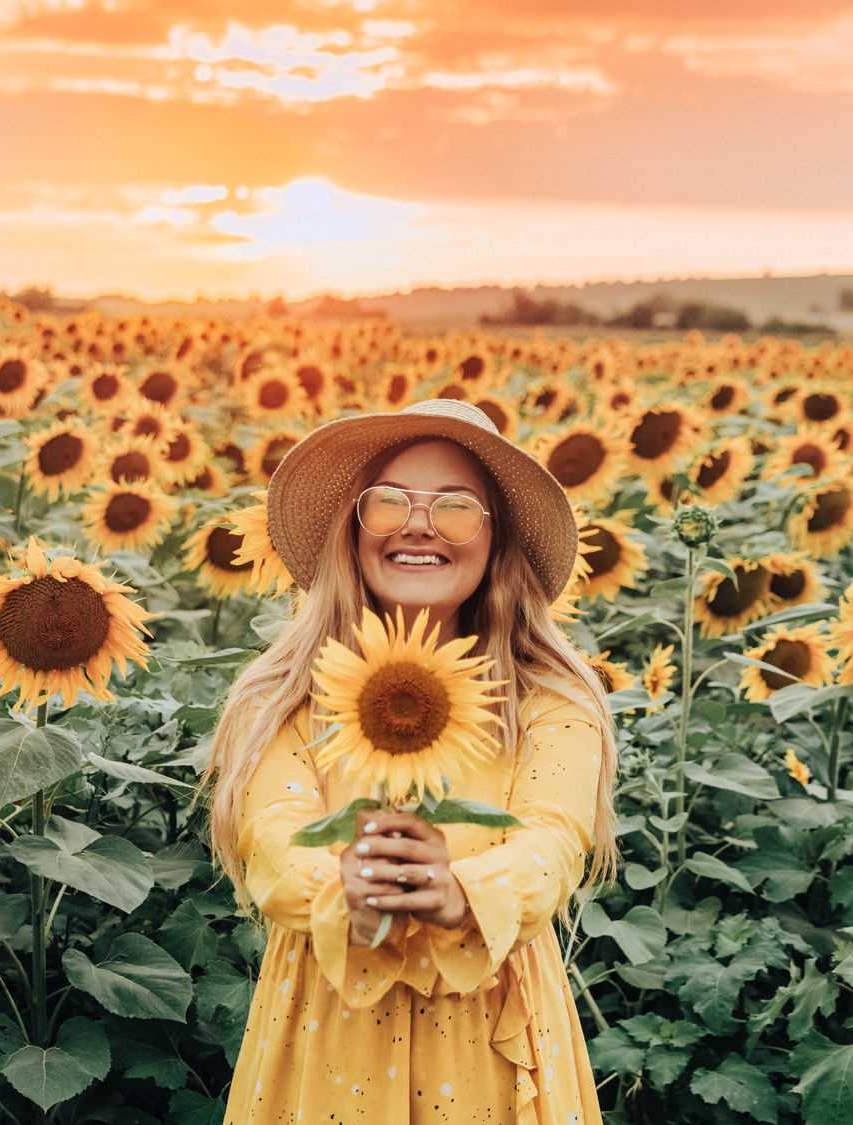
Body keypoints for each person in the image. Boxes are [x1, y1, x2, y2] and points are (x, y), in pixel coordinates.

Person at [206, 399, 617, 1124]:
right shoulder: (282, 699)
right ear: (352, 530)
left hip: (487, 1043)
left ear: (497, 543)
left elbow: (552, 841)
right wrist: (344, 884)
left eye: (456, 507)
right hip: (328, 1036)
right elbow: (272, 832)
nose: (418, 523)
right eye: (388, 501)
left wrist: (461, 891)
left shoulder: (547, 702)